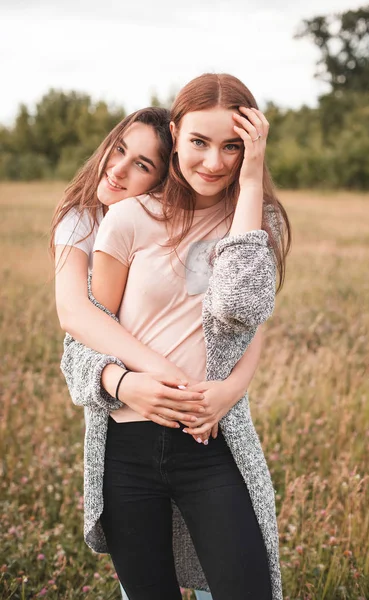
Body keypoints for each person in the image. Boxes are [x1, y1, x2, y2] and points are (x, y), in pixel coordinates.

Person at [60, 73, 291, 600]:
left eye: (233, 147)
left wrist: (252, 185)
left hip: (210, 442)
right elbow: (83, 341)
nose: (214, 162)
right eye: (199, 143)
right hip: (127, 446)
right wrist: (123, 385)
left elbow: (243, 310)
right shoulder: (127, 219)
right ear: (175, 134)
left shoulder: (257, 220)